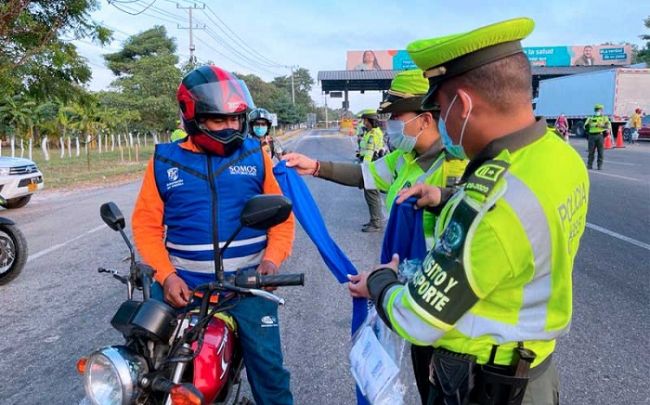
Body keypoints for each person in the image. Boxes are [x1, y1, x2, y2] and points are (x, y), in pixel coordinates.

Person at [348, 17, 589, 405]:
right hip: (535, 368)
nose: (442, 124)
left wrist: (380, 282)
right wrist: (444, 197)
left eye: (441, 111)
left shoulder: (489, 205)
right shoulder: (559, 157)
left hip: (484, 384)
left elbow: (416, 319)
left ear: (462, 104)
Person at [132, 65, 296, 405]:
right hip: (183, 287)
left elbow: (282, 217)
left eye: (235, 120)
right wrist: (167, 275)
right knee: (143, 367)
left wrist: (271, 261)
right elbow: (146, 226)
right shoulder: (164, 161)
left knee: (271, 378)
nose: (230, 127)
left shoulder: (255, 155)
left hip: (247, 289)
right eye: (218, 121)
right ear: (193, 118)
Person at [284, 68, 466, 239]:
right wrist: (315, 167)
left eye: (396, 116)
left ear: (424, 120)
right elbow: (364, 174)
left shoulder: (456, 167)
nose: (390, 123)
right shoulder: (404, 156)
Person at [584, 103, 611, 170]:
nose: (598, 111)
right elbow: (585, 127)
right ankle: (589, 165)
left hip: (600, 135)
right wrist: (589, 125)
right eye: (597, 110)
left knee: (600, 152)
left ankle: (599, 166)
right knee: (591, 152)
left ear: (602, 110)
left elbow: (608, 126)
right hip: (591, 136)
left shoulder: (604, 118)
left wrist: (601, 126)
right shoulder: (590, 118)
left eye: (599, 110)